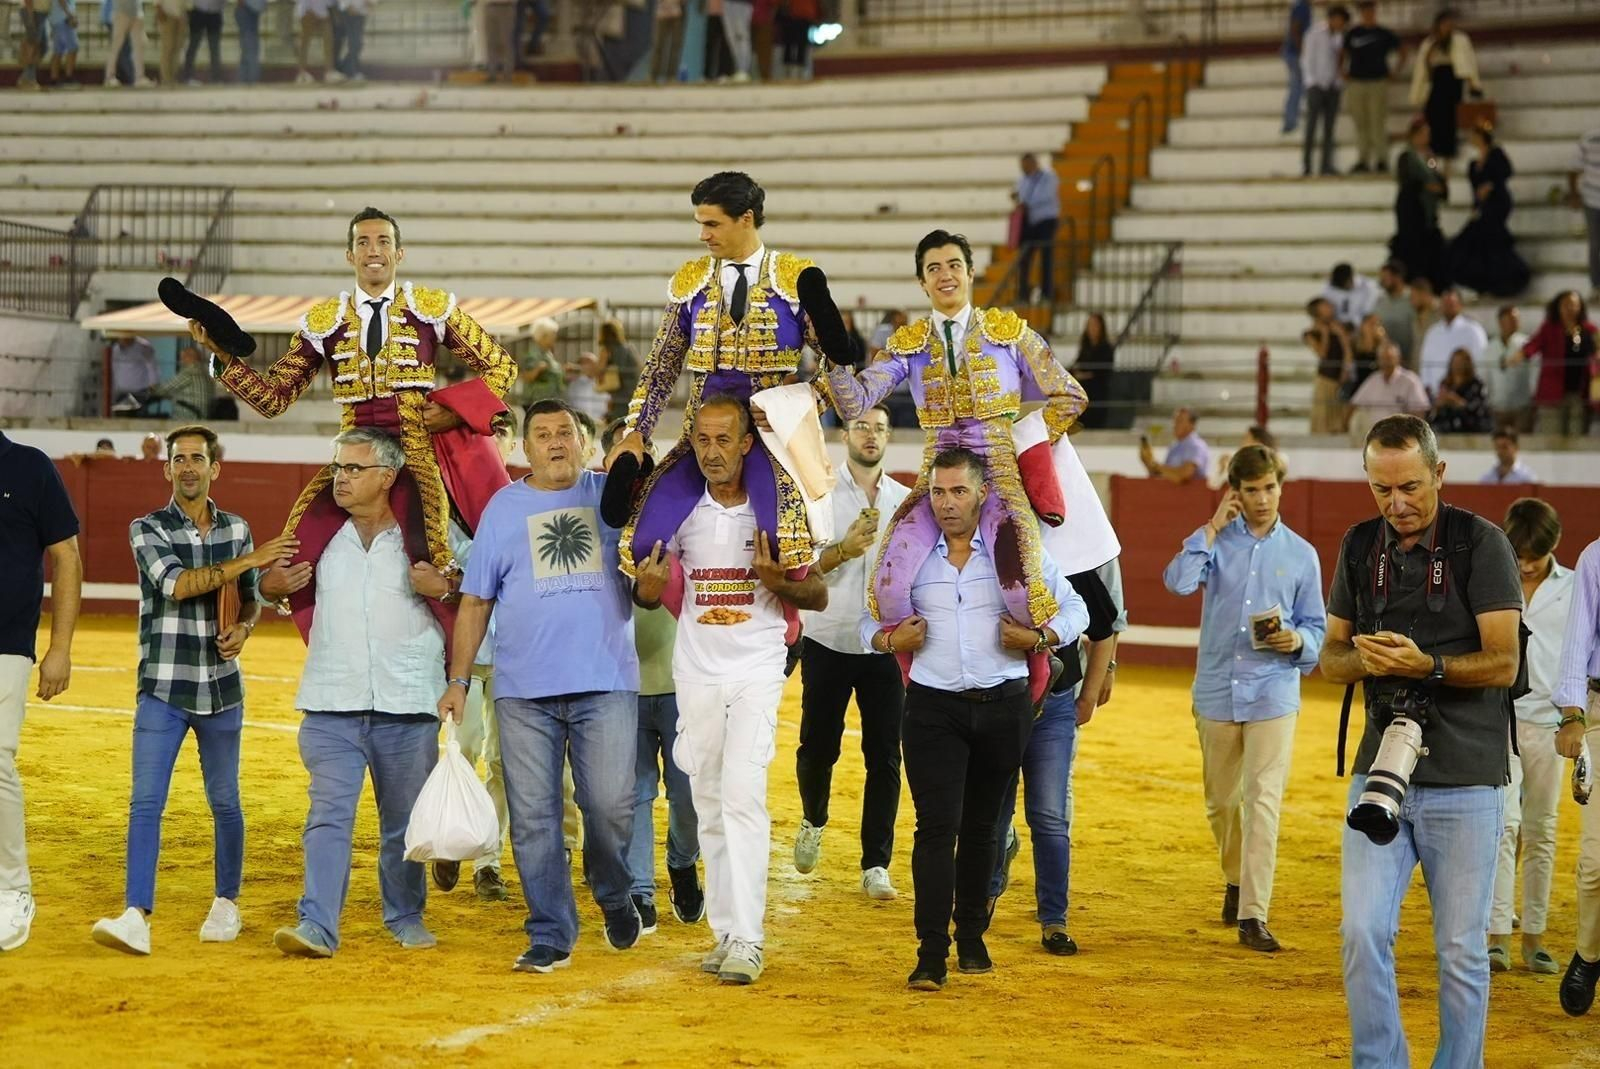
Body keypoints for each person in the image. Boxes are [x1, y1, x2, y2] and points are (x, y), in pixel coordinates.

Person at [194, 206, 516, 644]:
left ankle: (459, 667)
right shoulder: (325, 322)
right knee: (295, 553)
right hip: (351, 457)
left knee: (433, 563)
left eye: (383, 242)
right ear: (350, 255)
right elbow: (273, 398)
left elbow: (501, 367)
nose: (373, 250)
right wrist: (224, 359)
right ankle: (328, 653)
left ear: (399, 253)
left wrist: (457, 412)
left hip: (414, 457)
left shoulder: (430, 309)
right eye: (363, 243)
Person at [1320, 414, 1523, 1069]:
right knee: (1360, 931)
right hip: (1381, 769)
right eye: (1381, 489)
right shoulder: (1359, 545)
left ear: (1439, 473)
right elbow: (1330, 658)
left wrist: (1426, 666)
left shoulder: (1481, 543)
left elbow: (1505, 662)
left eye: (1410, 486)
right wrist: (1368, 660)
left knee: (1461, 949)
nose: (1396, 503)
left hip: (1467, 775)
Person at [822, 229, 1088, 701]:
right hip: (938, 479)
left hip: (997, 475)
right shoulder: (910, 344)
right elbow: (855, 402)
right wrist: (837, 362)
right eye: (933, 268)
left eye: (953, 266)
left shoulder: (1008, 333)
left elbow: (1070, 395)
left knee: (1021, 586)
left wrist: (1024, 440)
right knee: (889, 581)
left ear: (970, 273)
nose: (945, 275)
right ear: (922, 282)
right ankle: (914, 680)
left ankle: (1041, 664)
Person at [863, 447, 1086, 991]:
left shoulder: (1015, 551)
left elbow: (1076, 609)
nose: (946, 503)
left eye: (959, 491)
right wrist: (889, 640)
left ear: (982, 494)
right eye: (938, 492)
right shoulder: (908, 554)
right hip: (933, 708)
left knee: (985, 828)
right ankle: (931, 952)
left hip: (1003, 705)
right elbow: (864, 624)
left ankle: (970, 937)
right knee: (936, 829)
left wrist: (1038, 637)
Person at [441, 400, 644, 973]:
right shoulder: (503, 509)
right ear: (525, 449)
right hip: (523, 690)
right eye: (543, 435)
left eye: (565, 433)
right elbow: (476, 601)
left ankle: (612, 891)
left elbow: (650, 571)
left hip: (605, 682)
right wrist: (458, 680)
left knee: (609, 806)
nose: (555, 442)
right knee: (533, 818)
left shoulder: (612, 498)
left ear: (584, 443)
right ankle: (551, 930)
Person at [632, 393, 828, 986]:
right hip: (695, 672)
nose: (712, 452)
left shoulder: (774, 511)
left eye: (723, 440)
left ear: (747, 444)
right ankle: (725, 932)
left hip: (756, 670)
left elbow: (817, 594)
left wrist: (778, 582)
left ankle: (748, 937)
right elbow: (647, 593)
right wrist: (647, 590)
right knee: (710, 803)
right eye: (702, 440)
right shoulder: (680, 512)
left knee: (741, 796)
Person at [90, 425, 289, 956]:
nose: (188, 467)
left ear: (213, 468)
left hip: (222, 688)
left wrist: (244, 628)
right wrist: (248, 562)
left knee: (225, 801)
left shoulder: (237, 528)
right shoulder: (147, 528)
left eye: (197, 458)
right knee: (146, 801)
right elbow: (177, 585)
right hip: (164, 686)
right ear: (167, 469)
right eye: (179, 459)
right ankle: (136, 913)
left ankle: (226, 902)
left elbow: (249, 598)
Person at [604, 172, 849, 585]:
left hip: (770, 440)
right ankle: (694, 612)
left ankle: (784, 624)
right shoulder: (693, 283)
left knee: (788, 548)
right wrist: (635, 433)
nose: (703, 235)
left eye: (712, 223)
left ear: (746, 219)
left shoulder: (794, 280)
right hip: (704, 436)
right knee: (639, 544)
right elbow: (661, 366)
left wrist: (799, 404)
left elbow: (840, 363)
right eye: (700, 223)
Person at [273, 428, 451, 959]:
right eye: (338, 467)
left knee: (403, 825)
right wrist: (267, 587)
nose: (340, 478)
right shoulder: (317, 537)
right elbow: (274, 586)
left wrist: (446, 586)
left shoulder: (429, 536)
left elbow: (473, 588)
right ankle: (317, 925)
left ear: (388, 477)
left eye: (354, 468)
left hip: (408, 702)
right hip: (332, 700)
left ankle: (405, 915)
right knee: (328, 817)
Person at [1164, 445, 1325, 952]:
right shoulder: (1216, 543)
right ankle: (1235, 878)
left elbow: (1316, 627)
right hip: (1217, 688)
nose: (1262, 499)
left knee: (1263, 803)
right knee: (1220, 803)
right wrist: (1212, 527)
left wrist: (1297, 641)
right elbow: (1177, 583)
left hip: (1273, 690)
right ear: (1235, 492)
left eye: (1269, 488)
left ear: (1281, 486)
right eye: (1252, 490)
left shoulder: (1301, 553)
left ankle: (1253, 913)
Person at [792, 404, 911, 899]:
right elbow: (801, 567)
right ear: (845, 435)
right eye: (862, 427)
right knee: (817, 749)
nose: (870, 435)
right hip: (828, 638)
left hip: (884, 643)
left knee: (885, 756)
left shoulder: (905, 501)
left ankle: (876, 863)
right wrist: (842, 550)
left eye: (879, 428)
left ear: (888, 436)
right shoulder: (818, 495)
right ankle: (813, 818)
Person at [988, 552, 1125, 956]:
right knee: (992, 812)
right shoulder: (983, 556)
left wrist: (1088, 696)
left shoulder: (1069, 560)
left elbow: (1104, 628)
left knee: (1048, 815)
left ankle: (1053, 918)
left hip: (1053, 703)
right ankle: (982, 900)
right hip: (996, 702)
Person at [597, 419, 704, 931]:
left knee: (688, 796)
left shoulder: (682, 512)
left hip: (683, 681)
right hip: (622, 683)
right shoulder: (597, 522)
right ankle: (640, 889)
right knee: (635, 793)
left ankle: (682, 862)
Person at [429, 413, 520, 903]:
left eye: (499, 435)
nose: (490, 443)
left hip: (511, 653)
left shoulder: (520, 505)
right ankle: (451, 835)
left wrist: (453, 585)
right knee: (460, 751)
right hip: (459, 654)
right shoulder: (439, 510)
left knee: (504, 763)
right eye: (482, 436)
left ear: (511, 444)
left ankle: (488, 859)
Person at [0, 430, 81, 952]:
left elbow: (66, 556)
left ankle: (12, 889)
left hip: (5, 643)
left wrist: (60, 647)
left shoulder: (30, 466)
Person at [1488, 499, 1572, 976]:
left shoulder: (1574, 587)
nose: (1525, 565)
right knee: (1505, 825)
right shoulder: (1492, 579)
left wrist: (1574, 716)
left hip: (1549, 724)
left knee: (1542, 829)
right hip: (1499, 718)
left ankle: (1535, 937)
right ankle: (1497, 935)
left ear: (1553, 545)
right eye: (1518, 555)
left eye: (1534, 557)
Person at [1555, 532, 1600, 1016]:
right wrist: (1572, 715)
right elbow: (1577, 640)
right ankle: (1590, 952)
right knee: (1595, 861)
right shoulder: (1596, 557)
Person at [1447, 123, 1531, 299]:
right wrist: (1476, 207)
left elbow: (1507, 172)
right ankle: (1483, 282)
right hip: (1483, 207)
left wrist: (1491, 185)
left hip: (1497, 203)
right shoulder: (1473, 163)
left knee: (1491, 239)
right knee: (1476, 241)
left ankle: (1502, 281)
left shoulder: (1496, 154)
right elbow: (1474, 189)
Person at [1409, 8, 1481, 163]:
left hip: (1453, 83)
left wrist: (1473, 84)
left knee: (1450, 122)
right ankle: (1432, 162)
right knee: (1432, 121)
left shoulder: (1460, 40)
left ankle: (1448, 162)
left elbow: (1468, 64)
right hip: (1436, 83)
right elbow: (1423, 68)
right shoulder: (1430, 43)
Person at [1521, 290, 1597, 437]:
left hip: (1580, 393)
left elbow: (1597, 350)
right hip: (1552, 393)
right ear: (1558, 307)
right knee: (1552, 436)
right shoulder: (1548, 328)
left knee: (1577, 436)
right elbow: (1533, 345)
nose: (1570, 308)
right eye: (1566, 305)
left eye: (1574, 305)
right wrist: (1522, 354)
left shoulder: (1589, 330)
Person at [1342, 1, 1402, 174]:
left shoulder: (1383, 33)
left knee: (1377, 122)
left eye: (1371, 10)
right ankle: (1363, 160)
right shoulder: (1353, 33)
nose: (1368, 13)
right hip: (1357, 83)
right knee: (1360, 123)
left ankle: (1382, 159)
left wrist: (1395, 71)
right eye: (1365, 10)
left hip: (1377, 82)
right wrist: (1342, 71)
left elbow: (1402, 51)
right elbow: (1343, 53)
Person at [1390, 118, 1448, 292]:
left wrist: (1437, 179)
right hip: (1411, 211)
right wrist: (1426, 186)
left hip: (1427, 214)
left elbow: (1436, 176)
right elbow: (1406, 180)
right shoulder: (1406, 157)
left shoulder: (1429, 157)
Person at [1299, 5, 1348, 178]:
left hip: (1333, 87)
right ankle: (1306, 166)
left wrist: (1338, 83)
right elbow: (1307, 59)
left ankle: (1326, 166)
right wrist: (1312, 82)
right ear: (1332, 19)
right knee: (1311, 127)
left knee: (1329, 129)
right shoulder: (1314, 33)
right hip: (1316, 86)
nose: (1340, 24)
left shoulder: (1341, 37)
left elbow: (1340, 61)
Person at [1347, 340, 1431, 438]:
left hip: (1400, 436)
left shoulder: (1410, 380)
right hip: (1374, 436)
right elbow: (1354, 404)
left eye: (1389, 358)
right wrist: (1343, 427)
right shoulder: (1373, 379)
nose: (1386, 362)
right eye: (1382, 359)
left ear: (1398, 358)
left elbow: (1420, 411)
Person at [1417, 288, 1486, 399]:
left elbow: (1481, 362)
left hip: (1466, 395)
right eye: (1445, 304)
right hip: (1436, 395)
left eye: (1451, 304)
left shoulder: (1473, 330)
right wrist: (1426, 386)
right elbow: (1425, 363)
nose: (1448, 307)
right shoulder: (1433, 332)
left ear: (1460, 305)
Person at [1013, 153, 1061, 304]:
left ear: (1033, 163)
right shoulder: (1023, 180)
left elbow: (1045, 196)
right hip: (1029, 221)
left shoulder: (1048, 177)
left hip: (1046, 220)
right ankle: (1023, 292)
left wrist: (1026, 202)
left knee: (1046, 257)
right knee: (1025, 257)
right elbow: (1020, 195)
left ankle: (1047, 292)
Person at [1304, 296, 1352, 432]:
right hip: (1325, 378)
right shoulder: (1311, 333)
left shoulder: (1339, 327)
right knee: (1323, 417)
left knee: (1339, 416)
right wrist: (1325, 334)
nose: (1330, 307)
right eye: (1325, 306)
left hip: (1340, 377)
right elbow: (1322, 354)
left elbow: (1348, 351)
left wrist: (1346, 370)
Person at [1483, 305, 1533, 431]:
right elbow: (1485, 376)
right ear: (1500, 322)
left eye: (1516, 319)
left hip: (1522, 406)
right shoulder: (1491, 347)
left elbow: (1534, 373)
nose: (1515, 323)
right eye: (1510, 319)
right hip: (1497, 407)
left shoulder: (1527, 344)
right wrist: (1488, 401)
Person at [1428, 348, 1491, 435]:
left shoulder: (1476, 385)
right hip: (1446, 429)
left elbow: (1479, 408)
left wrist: (1457, 401)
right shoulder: (1445, 383)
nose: (1457, 365)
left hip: (1470, 429)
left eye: (1461, 362)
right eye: (1455, 362)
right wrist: (1439, 403)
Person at [1570, 126, 1600, 302]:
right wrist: (1574, 194)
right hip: (1592, 199)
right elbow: (1574, 169)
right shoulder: (1589, 139)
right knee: (1595, 244)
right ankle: (1596, 286)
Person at [1140, 406, 1210, 483]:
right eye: (1175, 421)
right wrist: (1148, 462)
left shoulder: (1196, 446)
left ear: (1192, 425)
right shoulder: (1174, 446)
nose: (1175, 425)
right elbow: (1163, 475)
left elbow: (1184, 475)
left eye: (1179, 421)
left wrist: (1156, 466)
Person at [144, 345, 213, 420]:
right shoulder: (204, 373)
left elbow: (163, 389)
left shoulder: (190, 372)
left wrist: (152, 387)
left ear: (189, 357)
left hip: (187, 416)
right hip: (199, 415)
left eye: (182, 357)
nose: (181, 361)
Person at [512, 317, 566, 411]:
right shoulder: (533, 355)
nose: (555, 338)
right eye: (552, 334)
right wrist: (538, 369)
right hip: (537, 403)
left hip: (549, 401)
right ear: (543, 336)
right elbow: (526, 377)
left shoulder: (548, 354)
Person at [1073, 311, 1115, 430]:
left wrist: (1084, 375)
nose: (1092, 328)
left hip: (1097, 396)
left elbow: (1101, 373)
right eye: (1089, 325)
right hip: (1082, 397)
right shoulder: (1085, 347)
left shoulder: (1106, 349)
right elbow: (1077, 366)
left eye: (1095, 325)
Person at [1374, 260, 1415, 365]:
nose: (1382, 281)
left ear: (1398, 277)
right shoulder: (1380, 301)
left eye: (1385, 278)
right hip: (1389, 361)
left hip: (1411, 359)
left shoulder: (1413, 299)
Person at [1280, 0, 1312, 134]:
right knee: (1297, 87)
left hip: (1293, 52)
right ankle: (1291, 121)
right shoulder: (1302, 7)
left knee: (1299, 87)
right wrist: (1302, 52)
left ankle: (1293, 119)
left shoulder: (1300, 6)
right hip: (1295, 53)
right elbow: (1295, 29)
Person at [102, 0, 150, 86]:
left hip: (137, 12)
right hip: (121, 12)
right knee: (116, 47)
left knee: (139, 47)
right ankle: (109, 77)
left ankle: (140, 77)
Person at [1323, 263, 1379, 333]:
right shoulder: (1330, 286)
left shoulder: (1368, 287)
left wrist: (1353, 323)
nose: (1340, 288)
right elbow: (1325, 309)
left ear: (1350, 279)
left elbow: (1368, 312)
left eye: (1342, 286)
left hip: (1361, 327)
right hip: (1336, 326)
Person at [180, 0, 222, 83]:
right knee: (193, 45)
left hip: (215, 12)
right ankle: (187, 77)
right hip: (198, 11)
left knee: (214, 48)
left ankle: (216, 78)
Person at [294, 0, 336, 82]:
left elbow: (330, 3)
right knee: (304, 43)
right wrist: (308, 10)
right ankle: (302, 73)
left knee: (328, 40)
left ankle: (329, 72)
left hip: (323, 14)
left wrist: (324, 13)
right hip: (306, 13)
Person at [1347, 313, 1385, 400]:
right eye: (1371, 324)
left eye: (1377, 324)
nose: (1373, 327)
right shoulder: (1355, 343)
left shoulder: (1382, 345)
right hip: (1359, 384)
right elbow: (1348, 363)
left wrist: (1382, 339)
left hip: (1377, 387)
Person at [46, 0, 79, 86]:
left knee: (58, 50)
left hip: (58, 19)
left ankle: (54, 78)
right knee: (73, 47)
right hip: (63, 19)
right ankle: (68, 77)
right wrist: (70, 16)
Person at [649, 0, 683, 82]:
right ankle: (653, 75)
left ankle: (671, 76)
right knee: (658, 46)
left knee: (675, 47)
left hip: (677, 14)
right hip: (662, 14)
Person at [235, 0, 265, 83]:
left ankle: (246, 79)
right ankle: (251, 80)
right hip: (247, 10)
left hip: (249, 11)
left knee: (247, 50)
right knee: (250, 49)